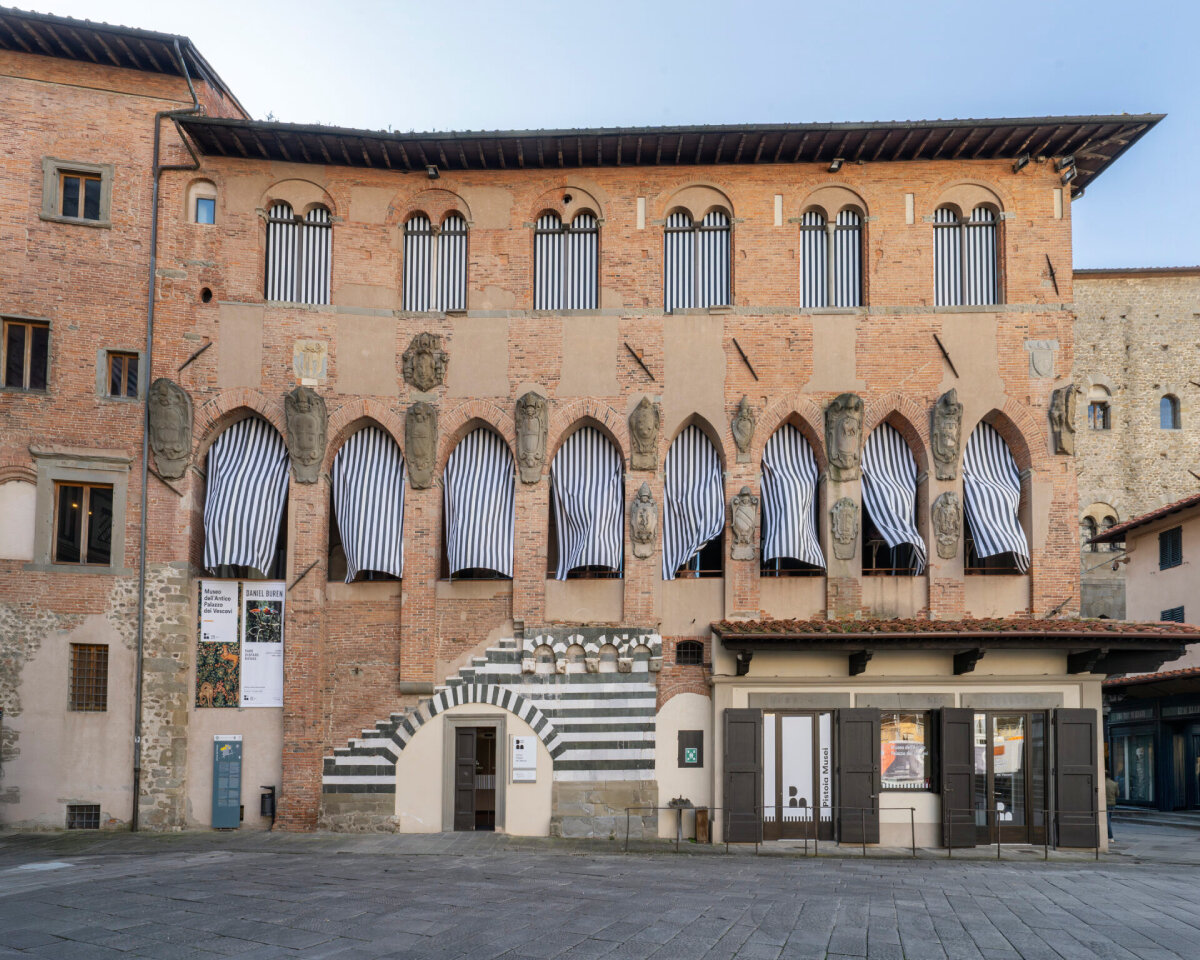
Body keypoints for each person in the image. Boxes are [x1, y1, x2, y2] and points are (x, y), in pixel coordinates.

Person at [1105, 768, 1119, 842]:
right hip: (1112, 804)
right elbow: (1117, 794)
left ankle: (1110, 837)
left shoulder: (1102, 783)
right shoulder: (1114, 784)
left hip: (1105, 804)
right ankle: (1108, 836)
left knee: (1107, 821)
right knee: (1109, 819)